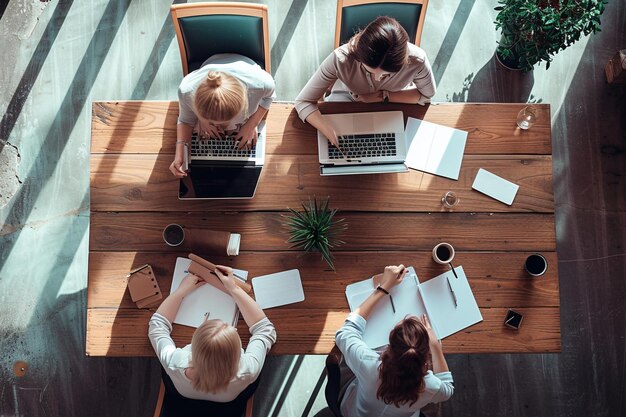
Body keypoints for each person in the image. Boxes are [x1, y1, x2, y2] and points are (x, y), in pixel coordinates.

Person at [295, 16, 436, 148]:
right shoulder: (340, 59)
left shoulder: (417, 60)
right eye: (369, 71)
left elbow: (426, 96)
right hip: (345, 100)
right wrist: (329, 131)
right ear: (359, 55)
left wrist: (383, 96)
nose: (377, 79)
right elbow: (303, 102)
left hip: (392, 107)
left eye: (387, 75)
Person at [335, 264, 454, 417]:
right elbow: (448, 390)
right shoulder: (431, 386)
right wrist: (436, 347)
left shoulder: (368, 363)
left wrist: (384, 287)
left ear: (388, 348)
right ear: (425, 358)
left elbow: (345, 332)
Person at [148, 265, 276, 401]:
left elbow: (157, 326)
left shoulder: (174, 362)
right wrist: (234, 288)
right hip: (229, 404)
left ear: (193, 348)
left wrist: (180, 292)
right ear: (238, 353)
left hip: (182, 395)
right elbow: (265, 330)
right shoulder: (248, 369)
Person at [170, 53, 276, 178]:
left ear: (244, 103)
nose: (226, 130)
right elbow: (185, 121)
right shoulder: (186, 91)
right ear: (196, 108)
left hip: (246, 64)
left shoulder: (260, 85)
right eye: (212, 122)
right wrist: (180, 151)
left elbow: (269, 97)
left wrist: (252, 123)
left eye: (226, 123)